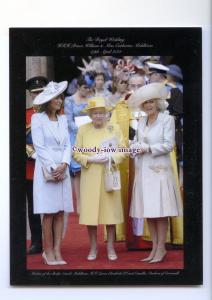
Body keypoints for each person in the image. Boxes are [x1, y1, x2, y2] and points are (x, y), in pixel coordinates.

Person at [128, 83, 182, 263]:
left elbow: (168, 145)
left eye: (151, 102)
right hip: (143, 170)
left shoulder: (167, 120)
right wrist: (133, 147)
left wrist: (148, 148)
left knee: (161, 211)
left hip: (159, 170)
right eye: (145, 103)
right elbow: (137, 141)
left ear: (157, 103)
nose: (148, 105)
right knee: (149, 211)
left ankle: (161, 248)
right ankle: (154, 248)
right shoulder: (141, 121)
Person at [73, 97, 127, 261]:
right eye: (95, 113)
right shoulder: (83, 130)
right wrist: (91, 159)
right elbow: (76, 153)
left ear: (106, 114)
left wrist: (111, 158)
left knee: (110, 214)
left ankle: (111, 247)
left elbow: (123, 150)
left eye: (101, 113)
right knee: (91, 215)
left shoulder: (114, 128)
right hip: (90, 177)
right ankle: (93, 248)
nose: (98, 116)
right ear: (90, 115)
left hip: (109, 175)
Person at [31, 81, 73, 265]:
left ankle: (57, 251)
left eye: (61, 97)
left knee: (60, 212)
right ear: (47, 101)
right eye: (56, 97)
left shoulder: (63, 119)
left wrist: (64, 163)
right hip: (46, 169)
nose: (60, 100)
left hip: (62, 169)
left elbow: (67, 145)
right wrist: (52, 167)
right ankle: (47, 252)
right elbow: (39, 146)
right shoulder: (37, 119)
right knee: (48, 213)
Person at [26, 76, 48, 255]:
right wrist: (31, 153)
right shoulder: (25, 114)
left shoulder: (56, 112)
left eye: (41, 92)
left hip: (50, 167)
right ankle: (36, 241)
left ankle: (52, 241)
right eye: (35, 94)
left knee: (51, 207)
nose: (38, 96)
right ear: (30, 96)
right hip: (31, 169)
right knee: (33, 207)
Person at [64, 75, 91, 213]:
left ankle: (89, 201)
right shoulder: (69, 100)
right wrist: (81, 129)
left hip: (91, 137)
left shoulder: (91, 100)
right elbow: (68, 121)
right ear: (79, 87)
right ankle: (79, 203)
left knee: (90, 168)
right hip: (75, 136)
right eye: (85, 87)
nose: (87, 90)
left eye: (89, 88)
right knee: (77, 171)